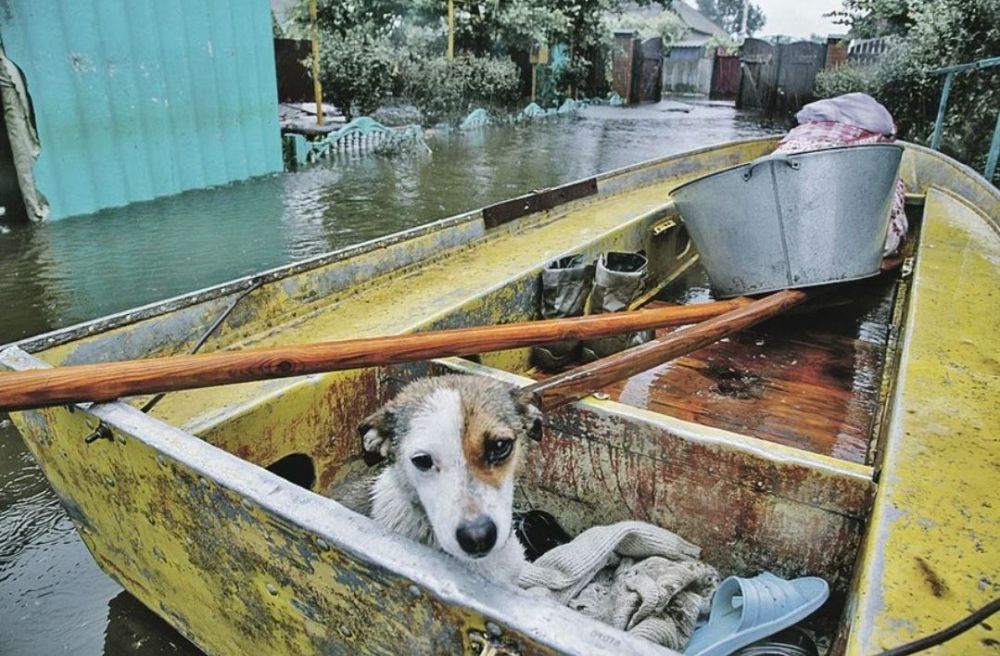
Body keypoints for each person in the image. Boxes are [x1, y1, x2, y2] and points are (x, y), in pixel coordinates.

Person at [775, 93, 908, 255]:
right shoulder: (876, 134)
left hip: (780, 230)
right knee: (893, 185)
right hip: (845, 248)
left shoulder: (801, 131)